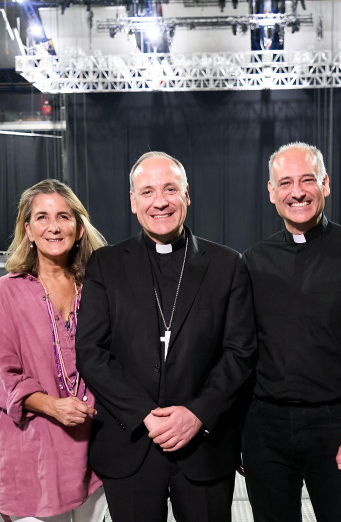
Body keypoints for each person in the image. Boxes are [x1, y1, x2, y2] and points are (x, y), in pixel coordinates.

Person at [76, 151, 257, 522]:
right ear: (133, 201)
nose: (159, 201)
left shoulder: (227, 264)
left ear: (187, 195)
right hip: (131, 442)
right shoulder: (106, 265)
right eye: (147, 191)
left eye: (170, 189)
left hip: (203, 446)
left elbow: (240, 352)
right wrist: (144, 415)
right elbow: (91, 352)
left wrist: (198, 413)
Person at [242, 142, 341, 522]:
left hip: (337, 425)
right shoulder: (253, 261)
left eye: (307, 180)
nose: (297, 192)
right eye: (286, 183)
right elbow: (242, 351)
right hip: (265, 427)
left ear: (325, 184)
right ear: (272, 191)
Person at [0, 179, 109, 522]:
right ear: (28, 230)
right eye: (42, 217)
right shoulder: (4, 293)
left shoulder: (98, 290)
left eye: (64, 216)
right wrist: (53, 406)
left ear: (79, 229)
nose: (54, 226)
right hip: (30, 457)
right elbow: (0, 379)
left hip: (93, 458)